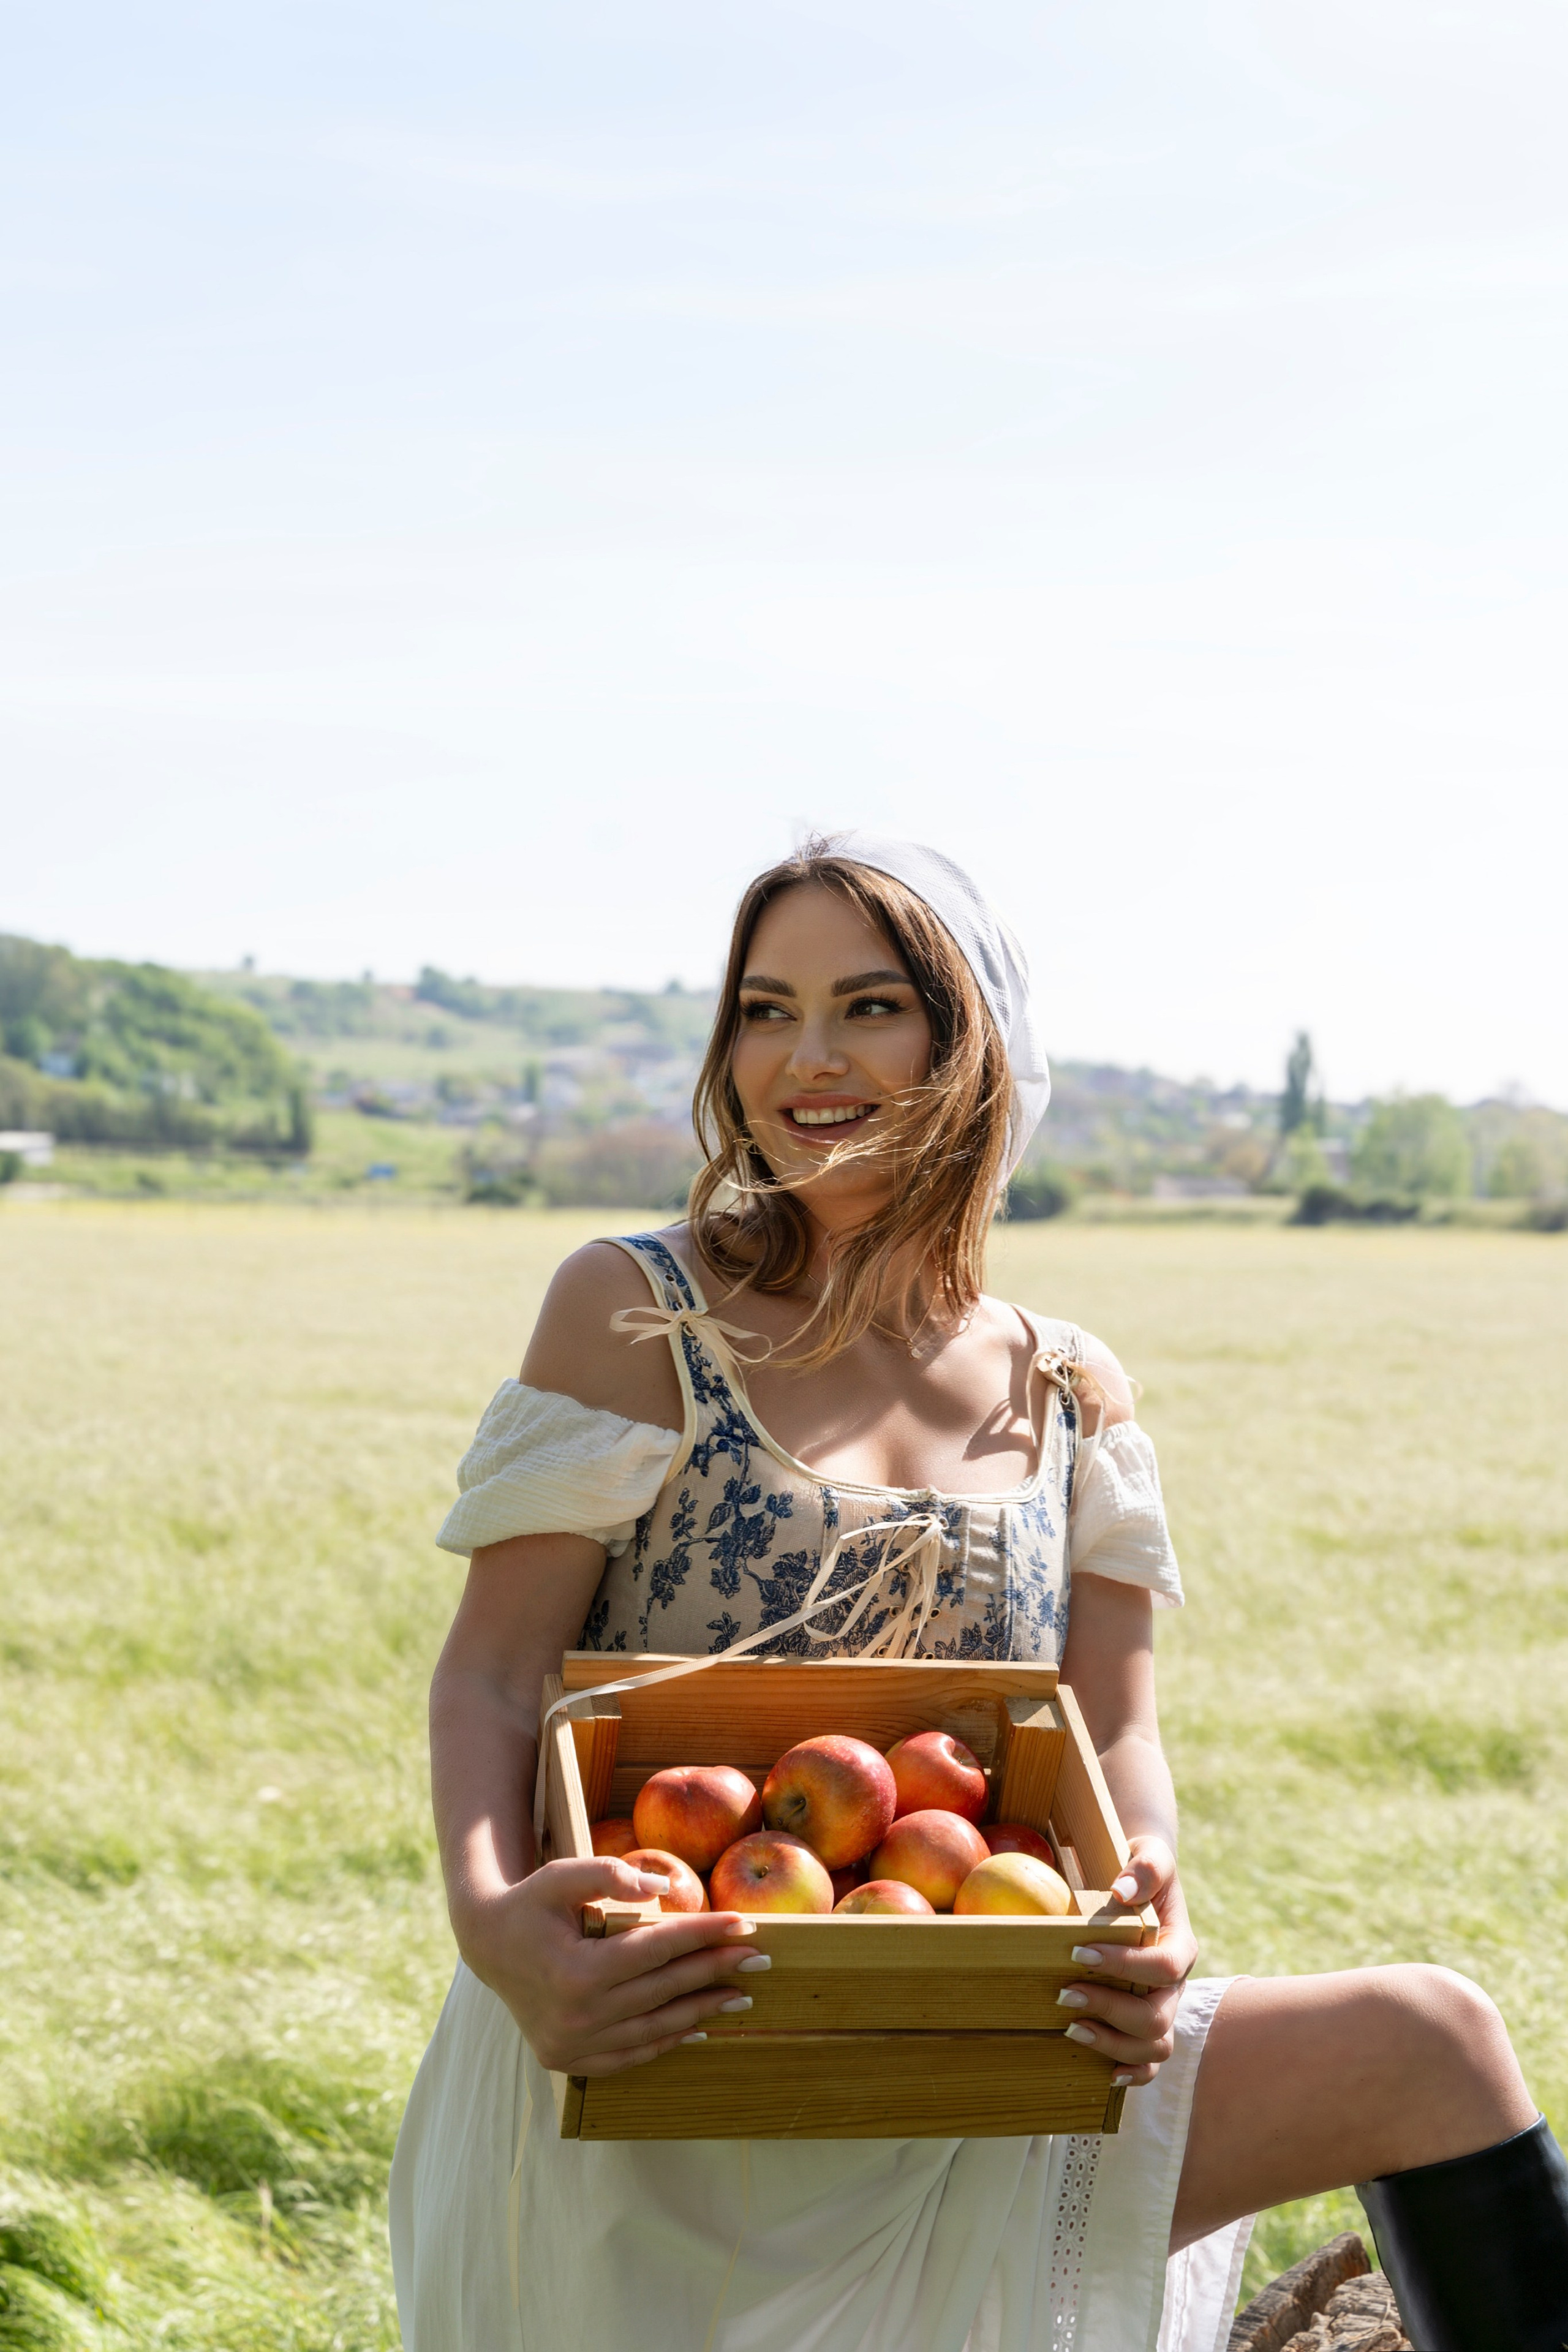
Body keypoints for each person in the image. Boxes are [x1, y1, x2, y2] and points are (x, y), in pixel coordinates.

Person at [389, 836, 1568, 2352]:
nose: (803, 1059)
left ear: (973, 1048)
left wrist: (1154, 1917)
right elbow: (490, 1674)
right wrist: (498, 1932)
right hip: (662, 2068)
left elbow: (1110, 1726)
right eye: (763, 1009)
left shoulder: (1072, 1385)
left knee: (1429, 2040)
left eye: (867, 1006)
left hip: (974, 2060)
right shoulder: (636, 1309)